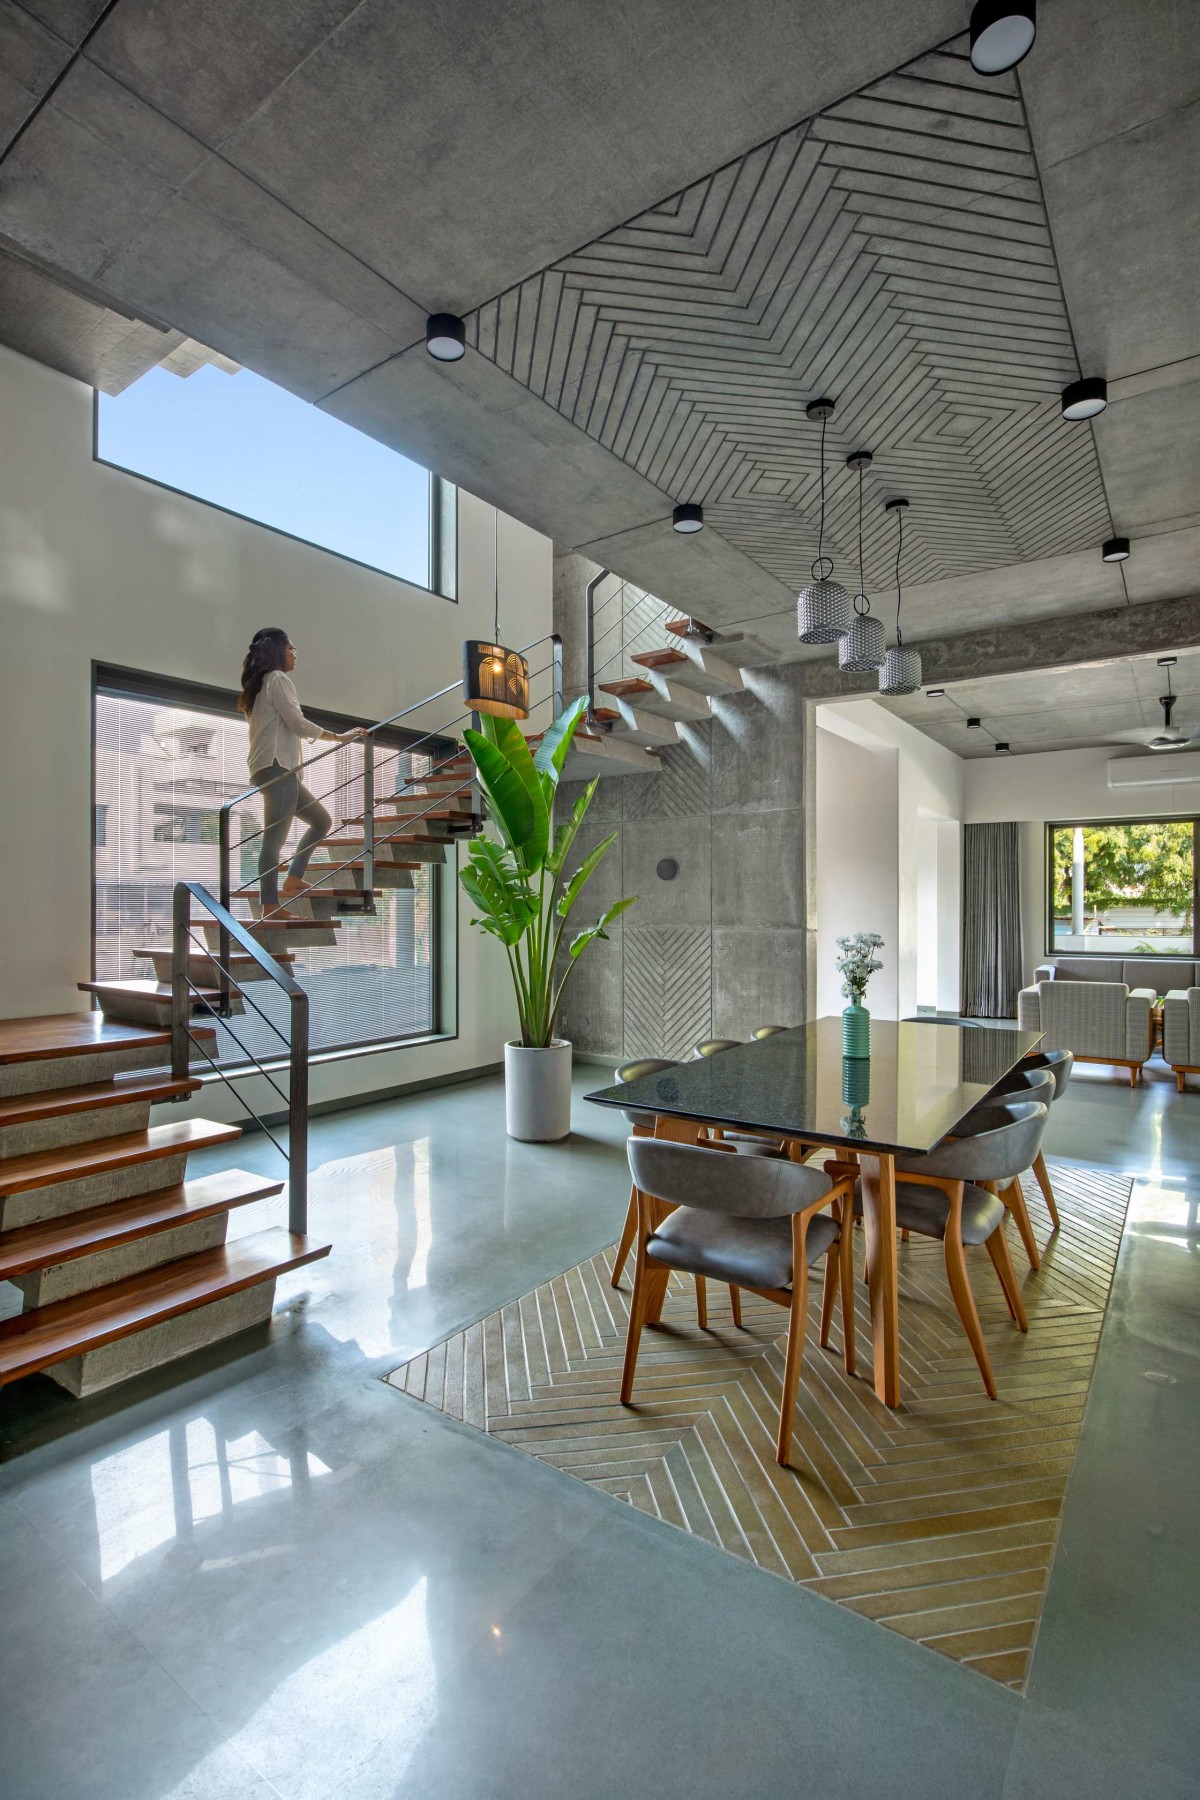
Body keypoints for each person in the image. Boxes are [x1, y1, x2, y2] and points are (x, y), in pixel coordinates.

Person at [238, 628, 364, 913]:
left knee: (321, 820)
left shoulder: (260, 686)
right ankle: (268, 905)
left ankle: (294, 878)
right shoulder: (278, 679)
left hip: (274, 769)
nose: (295, 653)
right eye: (291, 648)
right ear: (278, 651)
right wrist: (339, 737)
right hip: (276, 767)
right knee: (274, 839)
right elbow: (297, 722)